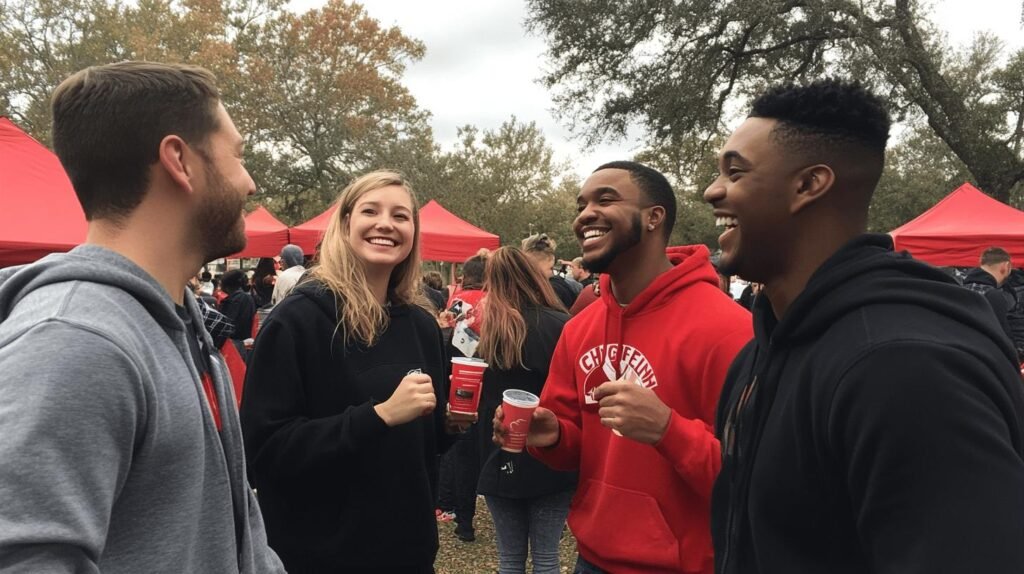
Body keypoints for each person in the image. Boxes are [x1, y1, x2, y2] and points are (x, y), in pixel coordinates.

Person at [704, 79, 1024, 574]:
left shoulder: (905, 367)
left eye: (735, 172)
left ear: (809, 184)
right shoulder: (761, 352)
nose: (712, 191)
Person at [0, 61, 282, 572]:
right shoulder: (78, 340)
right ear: (179, 160)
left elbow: (236, 527)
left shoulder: (178, 326)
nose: (250, 181)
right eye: (238, 156)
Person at [495, 161, 752, 574]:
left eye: (606, 199)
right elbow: (578, 446)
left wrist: (668, 430)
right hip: (591, 559)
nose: (585, 215)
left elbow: (754, 480)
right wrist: (552, 436)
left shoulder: (730, 330)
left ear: (654, 217)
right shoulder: (579, 329)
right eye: (581, 205)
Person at [240, 170, 472, 573]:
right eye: (371, 210)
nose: (386, 223)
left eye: (401, 216)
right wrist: (378, 416)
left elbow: (421, 447)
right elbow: (263, 453)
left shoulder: (420, 323)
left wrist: (451, 427)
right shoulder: (298, 321)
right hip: (320, 556)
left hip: (408, 554)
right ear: (346, 224)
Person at [476, 246, 577, 574]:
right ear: (534, 276)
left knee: (509, 558)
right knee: (547, 556)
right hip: (551, 455)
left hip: (499, 456)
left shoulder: (487, 329)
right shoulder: (563, 325)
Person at [963, 247, 1018, 355]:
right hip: (986, 354)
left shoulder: (959, 288)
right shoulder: (993, 295)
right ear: (1006, 266)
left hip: (961, 350)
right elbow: (1001, 332)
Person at [522, 233, 579, 309]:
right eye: (551, 268)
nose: (552, 273)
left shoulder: (555, 288)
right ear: (534, 268)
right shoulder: (553, 290)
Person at [219, 268, 256, 342]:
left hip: (237, 343)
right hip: (240, 342)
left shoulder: (239, 298)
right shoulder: (243, 297)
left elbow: (232, 325)